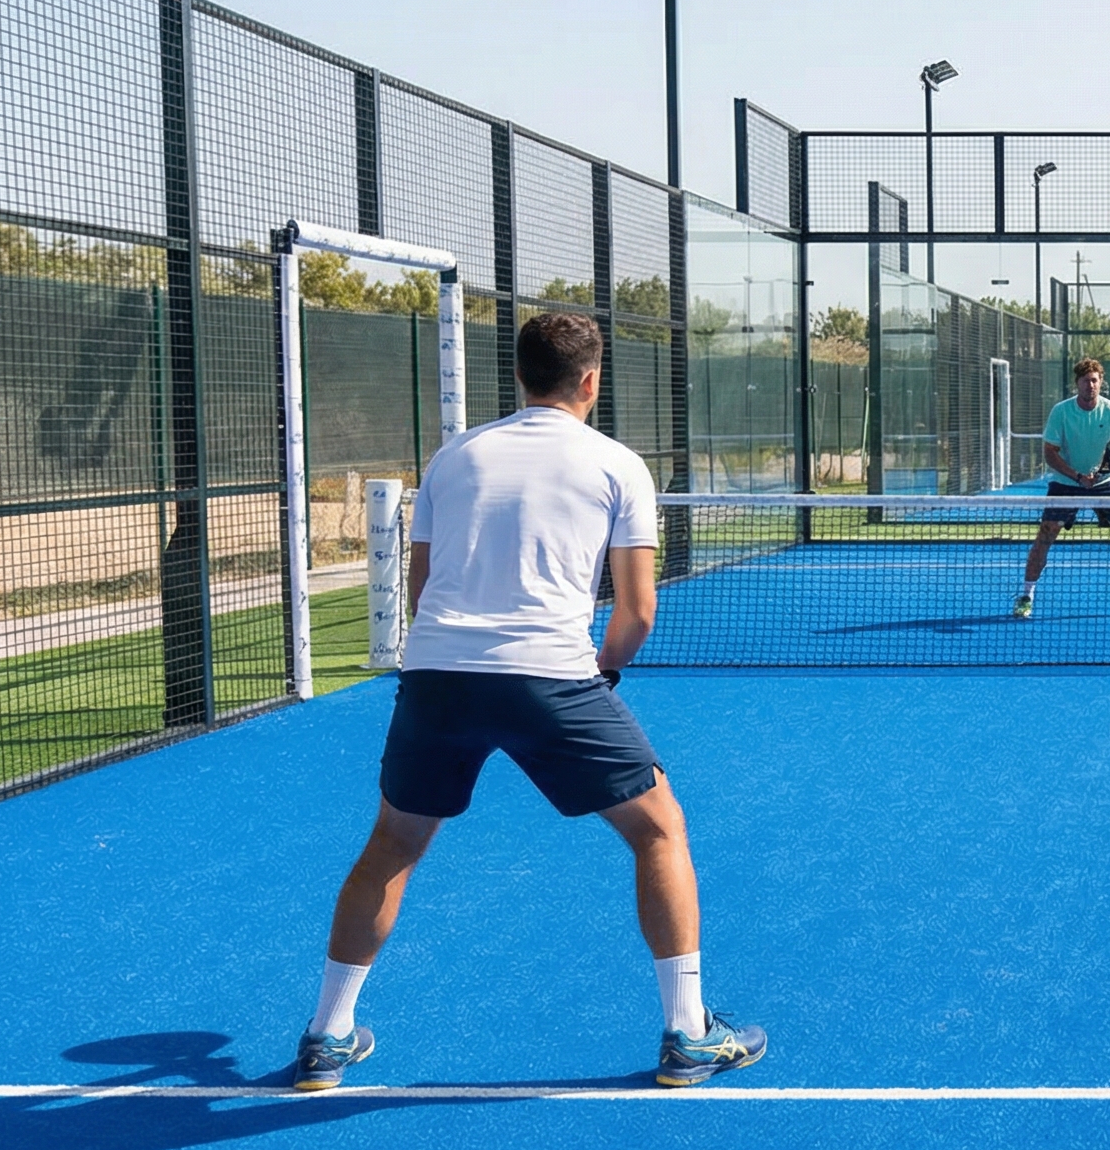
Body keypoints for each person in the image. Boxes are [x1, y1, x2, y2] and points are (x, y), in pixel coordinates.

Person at [292, 311, 765, 1092]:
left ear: (517, 376)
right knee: (659, 830)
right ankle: (688, 1033)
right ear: (591, 380)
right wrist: (601, 673)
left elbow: (423, 588)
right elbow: (637, 611)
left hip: (438, 672)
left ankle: (325, 1037)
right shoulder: (618, 464)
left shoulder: (454, 458)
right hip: (552, 674)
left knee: (394, 846)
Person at [1019, 357, 1110, 618]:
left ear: (1100, 382)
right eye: (1086, 381)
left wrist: (1098, 472)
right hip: (1065, 483)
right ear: (1078, 384)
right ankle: (1026, 596)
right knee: (1045, 535)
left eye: (1095, 380)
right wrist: (1077, 476)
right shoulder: (1061, 412)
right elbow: (1050, 453)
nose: (1090, 385)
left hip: (1104, 483)